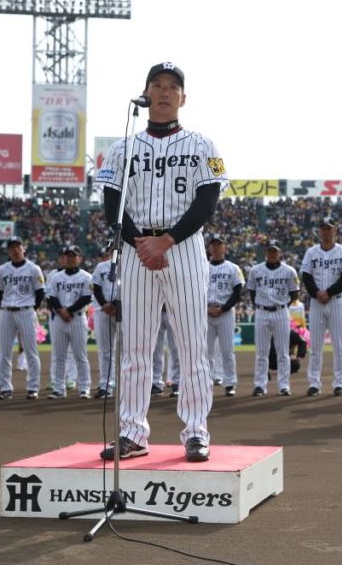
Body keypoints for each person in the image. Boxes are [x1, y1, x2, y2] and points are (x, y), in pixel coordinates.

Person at [97, 61, 228, 463]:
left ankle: (196, 432)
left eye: (173, 86)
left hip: (184, 247)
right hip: (138, 248)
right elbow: (111, 204)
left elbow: (208, 202)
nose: (166, 92)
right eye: (158, 85)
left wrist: (166, 241)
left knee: (192, 347)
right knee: (136, 347)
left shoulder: (204, 144)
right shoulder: (123, 147)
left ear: (183, 98)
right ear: (146, 93)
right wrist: (142, 243)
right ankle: (132, 432)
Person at [301, 216, 342, 397]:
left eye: (329, 228)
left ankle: (339, 383)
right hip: (316, 303)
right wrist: (317, 293)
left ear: (335, 231)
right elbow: (306, 277)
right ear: (319, 231)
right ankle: (314, 383)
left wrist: (328, 292)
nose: (326, 231)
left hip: (336, 301)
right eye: (323, 228)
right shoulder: (311, 252)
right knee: (315, 346)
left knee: (339, 345)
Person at [0, 238, 46, 400]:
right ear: (8, 252)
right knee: (4, 352)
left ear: (24, 249)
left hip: (26, 311)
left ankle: (33, 387)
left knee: (31, 351)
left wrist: (30, 309)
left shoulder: (34, 269)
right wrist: (6, 305)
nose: (15, 250)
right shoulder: (2, 270)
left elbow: (40, 293)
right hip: (7, 311)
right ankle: (5, 387)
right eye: (12, 248)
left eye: (18, 247)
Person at [247, 243, 301, 396]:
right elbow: (251, 292)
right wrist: (260, 304)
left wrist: (282, 305)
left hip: (281, 312)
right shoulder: (255, 270)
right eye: (270, 251)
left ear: (280, 253)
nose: (272, 254)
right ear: (266, 253)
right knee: (261, 352)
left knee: (283, 352)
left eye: (275, 251)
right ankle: (260, 385)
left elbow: (294, 293)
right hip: (262, 311)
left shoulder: (289, 271)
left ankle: (284, 386)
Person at [45, 244, 93, 399]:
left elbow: (86, 297)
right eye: (68, 255)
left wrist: (69, 311)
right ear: (64, 258)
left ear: (80, 258)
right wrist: (61, 311)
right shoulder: (56, 277)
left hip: (77, 318)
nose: (70, 258)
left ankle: (84, 388)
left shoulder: (86, 277)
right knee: (59, 356)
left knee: (80, 356)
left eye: (74, 255)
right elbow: (51, 297)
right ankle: (59, 388)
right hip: (60, 319)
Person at [206, 235, 243, 397]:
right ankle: (206, 383)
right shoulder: (202, 267)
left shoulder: (233, 268)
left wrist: (224, 308)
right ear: (209, 249)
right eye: (213, 245)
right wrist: (206, 309)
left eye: (219, 245)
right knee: (206, 352)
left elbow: (237, 292)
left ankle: (230, 383)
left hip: (225, 313)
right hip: (206, 312)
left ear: (224, 248)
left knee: (227, 351)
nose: (216, 248)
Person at [91, 244, 120, 399]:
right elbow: (95, 288)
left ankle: (125, 386)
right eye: (112, 248)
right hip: (104, 311)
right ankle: (106, 386)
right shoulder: (101, 267)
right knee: (105, 351)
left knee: (127, 351)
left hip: (124, 311)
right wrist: (105, 304)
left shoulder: (131, 264)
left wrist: (114, 304)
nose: (114, 250)